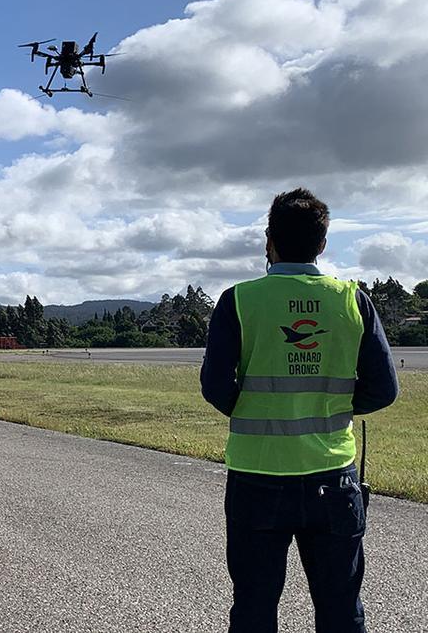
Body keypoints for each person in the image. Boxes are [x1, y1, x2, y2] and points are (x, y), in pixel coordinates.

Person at [200, 188, 399, 633]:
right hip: (332, 476)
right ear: (322, 244)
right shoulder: (352, 300)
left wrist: (250, 407)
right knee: (341, 609)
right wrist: (336, 408)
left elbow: (214, 387)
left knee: (253, 608)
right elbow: (383, 390)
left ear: (269, 241)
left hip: (257, 476)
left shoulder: (239, 300)